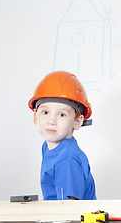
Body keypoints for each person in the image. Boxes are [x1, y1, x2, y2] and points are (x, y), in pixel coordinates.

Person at [28, 71, 96, 200]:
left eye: (62, 115)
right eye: (45, 112)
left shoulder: (67, 157)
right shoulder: (49, 146)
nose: (51, 121)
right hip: (56, 214)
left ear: (77, 122)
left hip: (67, 217)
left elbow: (69, 207)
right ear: (35, 116)